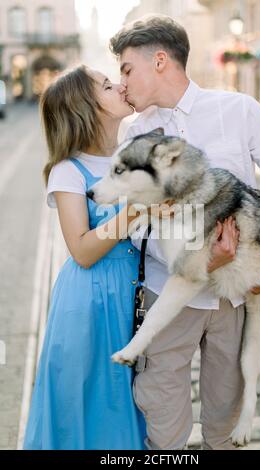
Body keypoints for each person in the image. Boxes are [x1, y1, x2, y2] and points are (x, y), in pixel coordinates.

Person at [110, 15, 260, 450]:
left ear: (160, 61)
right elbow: (132, 224)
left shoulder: (238, 109)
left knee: (225, 423)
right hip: (168, 294)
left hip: (233, 299)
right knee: (162, 421)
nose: (121, 84)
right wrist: (194, 257)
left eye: (126, 69)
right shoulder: (134, 132)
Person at [23, 65, 150, 450]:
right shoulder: (69, 171)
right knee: (87, 404)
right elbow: (81, 249)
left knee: (132, 403)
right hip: (89, 302)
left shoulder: (134, 152)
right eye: (108, 86)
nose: (121, 85)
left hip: (134, 295)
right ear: (86, 109)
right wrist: (132, 210)